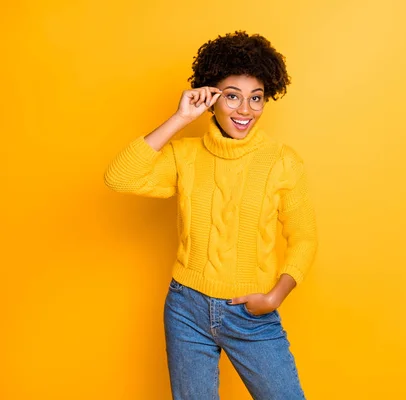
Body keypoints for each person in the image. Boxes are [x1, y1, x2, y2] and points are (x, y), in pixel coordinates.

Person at [104, 31, 317, 399]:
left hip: (252, 316)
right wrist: (180, 118)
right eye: (232, 96)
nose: (245, 110)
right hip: (186, 308)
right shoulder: (183, 156)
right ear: (211, 98)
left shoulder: (283, 161)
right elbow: (118, 177)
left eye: (256, 98)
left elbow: (304, 237)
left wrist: (274, 297)